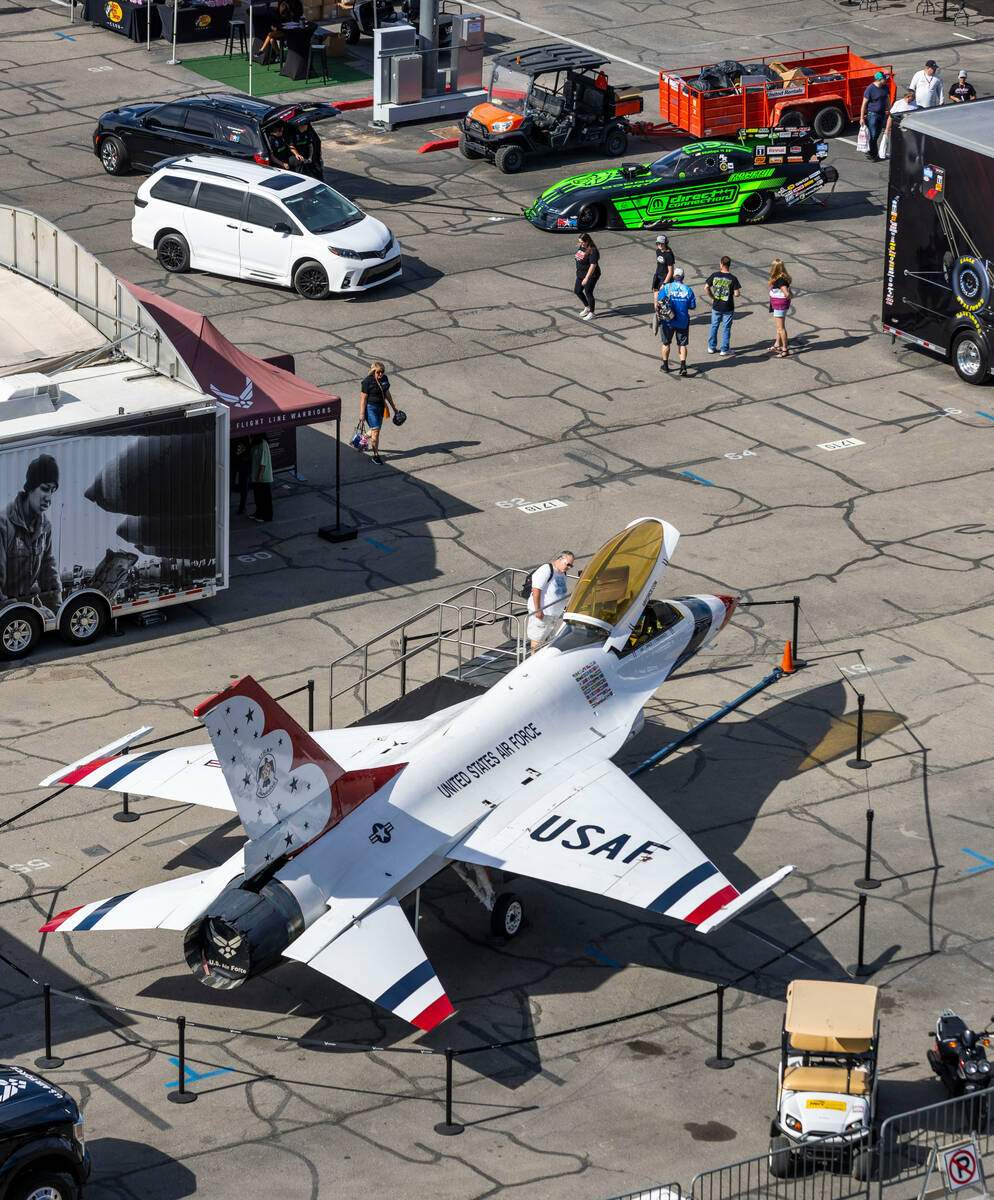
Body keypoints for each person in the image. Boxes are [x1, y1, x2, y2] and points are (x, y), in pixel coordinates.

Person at [0, 453, 63, 619]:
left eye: (52, 491)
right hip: (8, 613)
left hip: (27, 609)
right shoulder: (3, 524)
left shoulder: (45, 527)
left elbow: (49, 575)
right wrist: (27, 613)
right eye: (44, 488)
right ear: (30, 487)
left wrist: (58, 614)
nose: (49, 498)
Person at [527, 551, 574, 652]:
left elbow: (559, 593)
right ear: (560, 559)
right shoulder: (546, 569)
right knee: (537, 642)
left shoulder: (562, 573)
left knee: (547, 642)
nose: (569, 567)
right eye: (568, 564)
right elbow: (536, 589)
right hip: (543, 614)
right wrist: (538, 610)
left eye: (571, 566)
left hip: (553, 615)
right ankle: (535, 664)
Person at [656, 266, 696, 376]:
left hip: (667, 320)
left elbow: (659, 302)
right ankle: (683, 366)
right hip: (682, 321)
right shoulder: (688, 290)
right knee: (682, 344)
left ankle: (665, 366)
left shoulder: (667, 287)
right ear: (683, 277)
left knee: (666, 343)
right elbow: (692, 306)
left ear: (673, 276)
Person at [359, 361, 398, 466]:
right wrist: (362, 413)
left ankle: (362, 439)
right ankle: (375, 455)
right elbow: (363, 399)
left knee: (375, 429)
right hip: (370, 409)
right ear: (373, 371)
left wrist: (394, 407)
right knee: (375, 431)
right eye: (378, 372)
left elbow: (387, 393)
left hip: (381, 407)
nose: (381, 374)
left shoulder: (384, 379)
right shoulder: (367, 382)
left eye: (382, 372)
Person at [705, 255, 741, 356]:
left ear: (721, 264)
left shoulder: (715, 275)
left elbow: (706, 287)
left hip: (716, 305)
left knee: (714, 325)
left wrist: (712, 297)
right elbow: (737, 293)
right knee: (726, 327)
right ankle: (724, 349)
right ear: (729, 265)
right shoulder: (733, 278)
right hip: (728, 307)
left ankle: (711, 347)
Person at [860, 71, 891, 162]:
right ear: (879, 80)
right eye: (885, 79)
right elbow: (864, 103)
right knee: (873, 136)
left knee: (876, 135)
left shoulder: (885, 87)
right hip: (872, 115)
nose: (886, 80)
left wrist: (890, 111)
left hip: (882, 114)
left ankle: (870, 151)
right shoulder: (870, 89)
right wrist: (862, 118)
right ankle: (873, 155)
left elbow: (887, 99)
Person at [768, 259, 793, 358]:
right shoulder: (782, 278)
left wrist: (786, 297)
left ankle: (785, 349)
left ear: (775, 268)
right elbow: (789, 293)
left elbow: (787, 294)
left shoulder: (780, 280)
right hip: (780, 305)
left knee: (781, 328)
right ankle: (777, 345)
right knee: (779, 327)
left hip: (779, 306)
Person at [573, 232, 600, 321]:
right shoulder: (582, 247)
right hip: (581, 273)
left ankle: (592, 313)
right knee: (577, 291)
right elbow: (580, 256)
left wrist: (586, 278)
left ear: (587, 241)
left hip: (591, 275)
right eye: (579, 242)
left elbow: (593, 265)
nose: (580, 244)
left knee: (588, 292)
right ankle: (587, 307)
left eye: (582, 242)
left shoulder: (593, 250)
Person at [250, 434, 273, 523]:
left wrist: (259, 476)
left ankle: (267, 516)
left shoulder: (263, 444)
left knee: (265, 497)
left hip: (263, 477)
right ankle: (258, 512)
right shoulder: (255, 443)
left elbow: (263, 463)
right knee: (258, 496)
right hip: (256, 476)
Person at [651, 233, 674, 298]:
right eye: (658, 243)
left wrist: (664, 283)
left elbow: (671, 271)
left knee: (663, 298)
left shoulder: (669, 255)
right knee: (655, 294)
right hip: (658, 276)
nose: (660, 245)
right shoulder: (658, 251)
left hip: (665, 278)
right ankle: (656, 308)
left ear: (665, 243)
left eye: (662, 243)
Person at [232, 437, 250, 515]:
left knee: (241, 485)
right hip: (243, 462)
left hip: (236, 461)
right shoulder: (246, 435)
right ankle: (242, 507)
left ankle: (242, 507)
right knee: (243, 486)